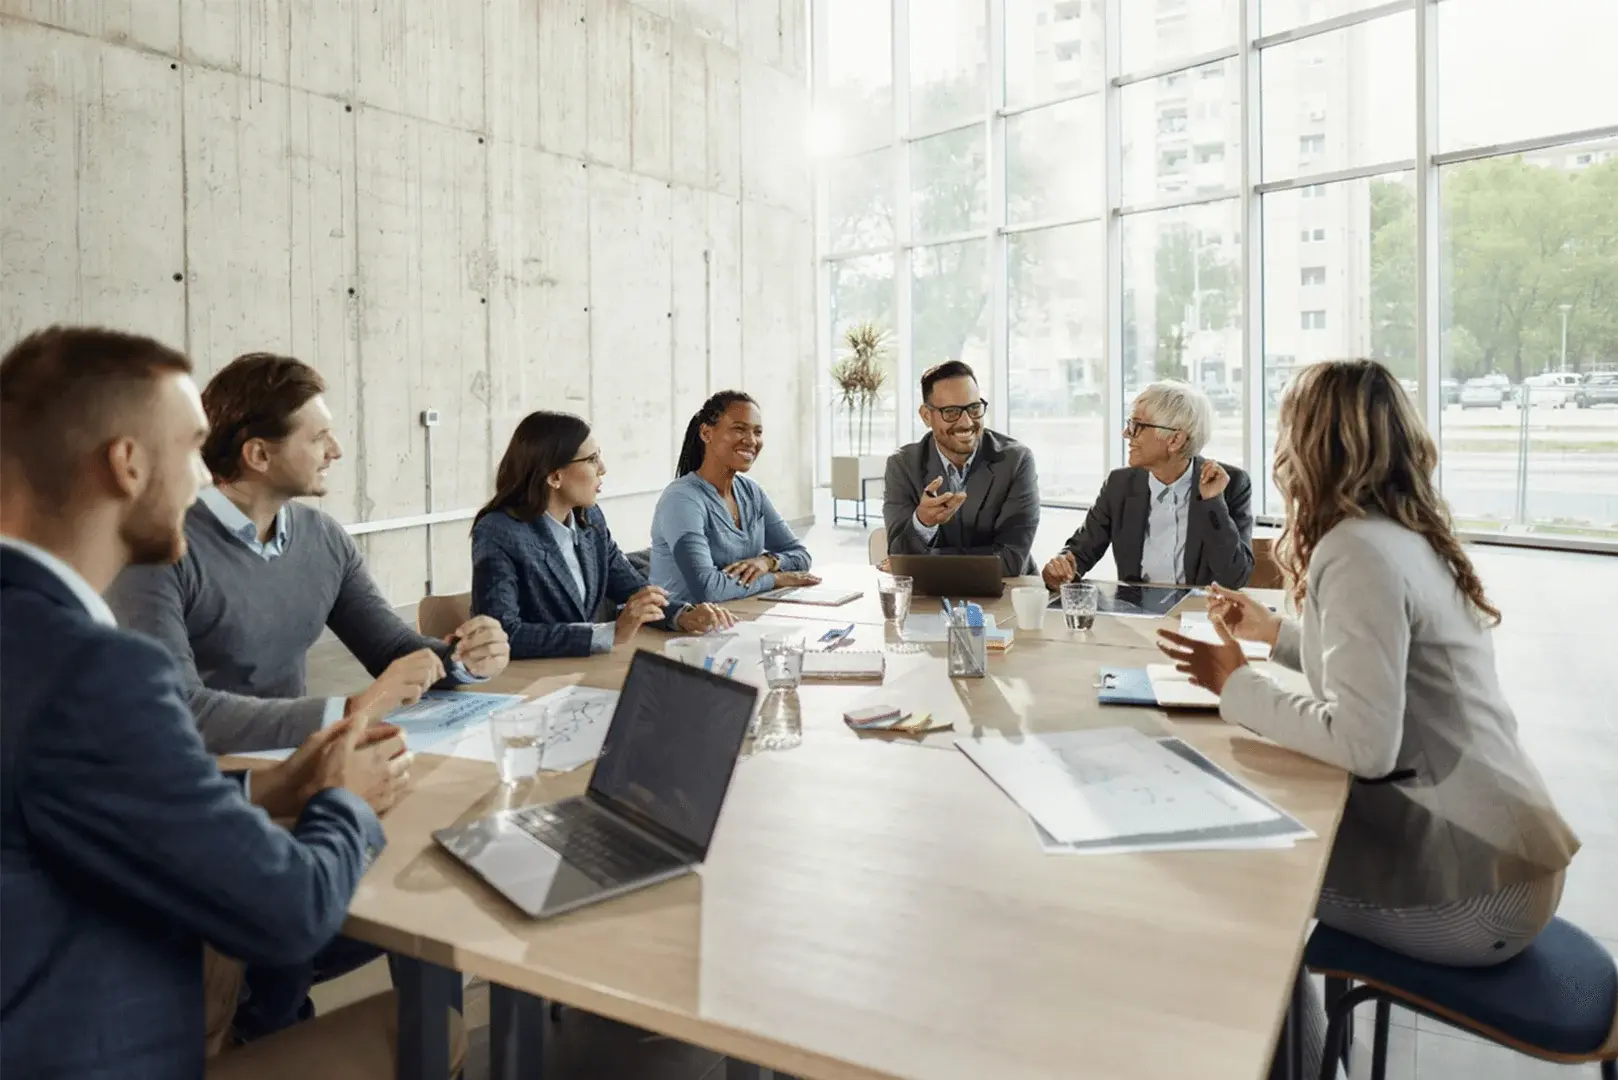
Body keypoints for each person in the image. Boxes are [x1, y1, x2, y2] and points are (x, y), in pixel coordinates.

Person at [0, 326, 424, 1077]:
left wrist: (264, 787)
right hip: (108, 1047)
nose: (205, 478)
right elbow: (289, 912)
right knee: (426, 1022)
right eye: (194, 448)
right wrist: (344, 802)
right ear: (127, 464)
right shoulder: (97, 670)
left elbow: (77, 793)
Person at [1155, 359, 1579, 1080]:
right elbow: (1377, 679)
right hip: (1508, 859)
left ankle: (1292, 1066)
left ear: (1316, 443)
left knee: (1254, 885)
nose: (1280, 450)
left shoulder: (1356, 551)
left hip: (1478, 892)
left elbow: (1364, 743)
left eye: (1289, 428)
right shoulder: (1394, 535)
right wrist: (1275, 637)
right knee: (1268, 865)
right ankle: (1315, 1060)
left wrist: (1239, 683)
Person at [106, 352, 512, 756]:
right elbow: (179, 709)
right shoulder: (153, 551)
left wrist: (465, 659)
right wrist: (353, 711)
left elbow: (390, 648)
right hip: (191, 779)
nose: (335, 450)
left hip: (293, 762)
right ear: (259, 455)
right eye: (318, 438)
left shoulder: (324, 539)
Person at [472, 411, 736, 658]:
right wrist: (611, 632)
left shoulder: (589, 518)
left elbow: (631, 587)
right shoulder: (498, 531)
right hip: (526, 684)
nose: (603, 468)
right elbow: (502, 633)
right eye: (591, 460)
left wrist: (683, 614)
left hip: (581, 671)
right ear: (554, 477)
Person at [1043, 379, 1253, 590]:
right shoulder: (1120, 485)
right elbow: (1079, 554)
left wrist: (1213, 503)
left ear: (1175, 440)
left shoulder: (1231, 485)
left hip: (1201, 616)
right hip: (1138, 616)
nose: (1126, 434)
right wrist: (1059, 570)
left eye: (1137, 426)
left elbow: (1234, 578)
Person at [650, 391, 819, 605]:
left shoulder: (751, 492)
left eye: (757, 432)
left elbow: (801, 556)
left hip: (736, 618)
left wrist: (768, 562)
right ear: (706, 433)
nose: (751, 441)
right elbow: (707, 588)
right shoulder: (682, 500)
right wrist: (775, 579)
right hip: (680, 630)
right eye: (739, 429)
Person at [883, 361, 1041, 576]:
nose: (967, 422)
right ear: (926, 416)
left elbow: (1012, 559)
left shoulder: (1016, 461)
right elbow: (899, 557)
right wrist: (923, 523)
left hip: (1007, 593)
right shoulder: (902, 465)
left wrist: (928, 561)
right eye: (951, 412)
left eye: (974, 408)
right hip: (932, 597)